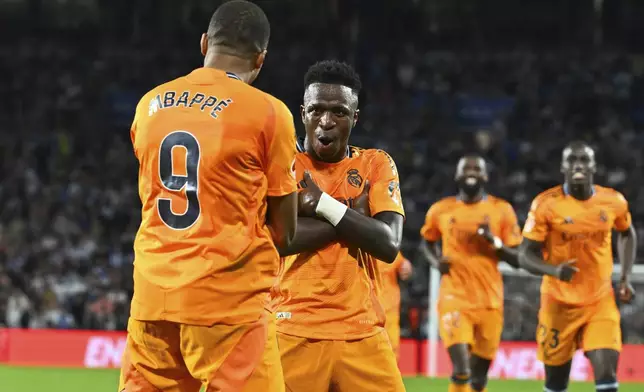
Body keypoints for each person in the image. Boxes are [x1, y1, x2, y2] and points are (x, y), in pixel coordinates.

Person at [118, 1, 298, 391]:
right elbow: (285, 234)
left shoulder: (149, 104)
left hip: (152, 298)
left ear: (204, 43)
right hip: (227, 306)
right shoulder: (269, 113)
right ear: (261, 59)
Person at [272, 60, 407, 391]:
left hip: (362, 330)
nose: (326, 122)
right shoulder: (281, 162)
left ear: (355, 117)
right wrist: (352, 217)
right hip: (291, 327)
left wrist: (320, 206)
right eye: (317, 110)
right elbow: (281, 239)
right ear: (302, 112)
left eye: (339, 112)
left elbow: (388, 244)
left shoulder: (376, 163)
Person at [519, 141, 637, 392]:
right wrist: (555, 270)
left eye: (584, 160)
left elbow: (627, 233)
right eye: (572, 160)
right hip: (557, 305)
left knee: (607, 378)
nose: (578, 165)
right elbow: (524, 256)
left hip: (599, 302)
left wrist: (625, 277)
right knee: (556, 384)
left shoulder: (613, 201)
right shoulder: (545, 204)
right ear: (563, 167)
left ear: (594, 166)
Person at [419, 155, 522, 392]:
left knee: (478, 379)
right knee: (461, 369)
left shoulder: (501, 210)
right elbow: (427, 241)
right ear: (457, 175)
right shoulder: (441, 210)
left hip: (490, 302)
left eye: (477, 169)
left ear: (485, 176)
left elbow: (517, 259)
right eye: (466, 168)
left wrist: (493, 242)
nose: (471, 172)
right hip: (454, 298)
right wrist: (436, 261)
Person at [380, 252, 414, 359]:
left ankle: (390, 374)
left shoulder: (386, 245)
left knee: (392, 346)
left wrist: (406, 266)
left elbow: (403, 266)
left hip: (389, 307)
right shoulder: (357, 246)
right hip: (365, 308)